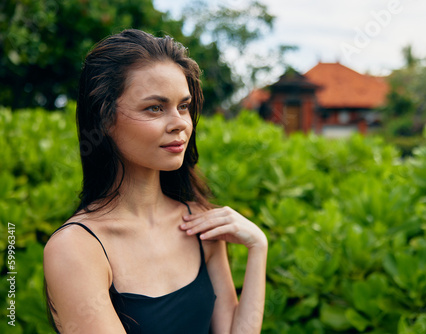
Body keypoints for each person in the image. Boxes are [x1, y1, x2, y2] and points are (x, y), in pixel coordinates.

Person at [43, 29, 268, 334]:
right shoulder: (77, 248)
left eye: (184, 106)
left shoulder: (201, 226)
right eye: (155, 108)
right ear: (104, 119)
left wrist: (258, 247)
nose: (179, 124)